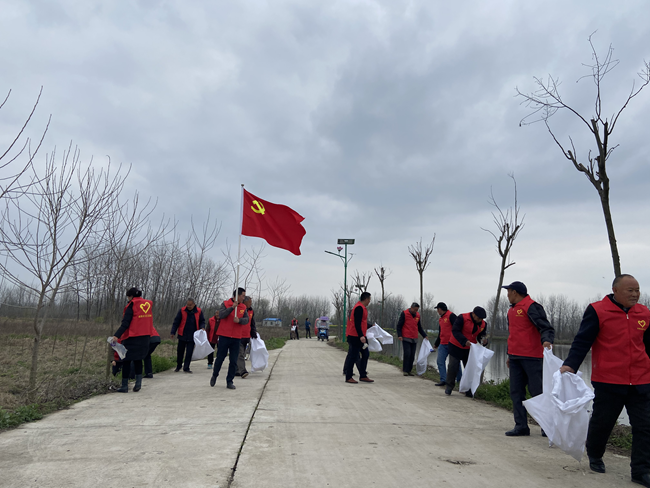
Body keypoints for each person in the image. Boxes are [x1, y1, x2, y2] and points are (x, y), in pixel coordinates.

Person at [560, 274, 650, 486]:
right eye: (630, 290)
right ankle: (595, 453)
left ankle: (641, 470)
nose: (635, 294)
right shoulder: (598, 310)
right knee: (603, 422)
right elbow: (583, 340)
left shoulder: (644, 313)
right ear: (615, 290)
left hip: (640, 379)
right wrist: (571, 364)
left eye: (637, 290)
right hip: (609, 379)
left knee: (645, 426)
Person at [502, 281, 554, 437]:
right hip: (516, 357)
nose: (507, 295)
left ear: (515, 292)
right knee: (516, 392)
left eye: (509, 291)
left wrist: (546, 340)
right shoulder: (511, 311)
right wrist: (509, 354)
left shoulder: (531, 307)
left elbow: (545, 327)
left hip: (532, 357)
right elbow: (513, 335)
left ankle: (547, 425)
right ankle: (521, 426)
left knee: (537, 392)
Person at [111, 287, 153, 393]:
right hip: (145, 336)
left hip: (132, 337)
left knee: (126, 361)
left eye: (128, 297)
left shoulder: (131, 305)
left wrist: (117, 335)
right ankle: (138, 384)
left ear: (131, 296)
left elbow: (126, 323)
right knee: (138, 359)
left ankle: (124, 386)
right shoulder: (147, 305)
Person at [210, 288, 249, 390]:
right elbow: (221, 315)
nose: (244, 298)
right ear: (237, 295)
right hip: (224, 336)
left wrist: (239, 320)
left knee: (233, 361)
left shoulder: (243, 307)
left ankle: (229, 381)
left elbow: (246, 320)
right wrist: (232, 308)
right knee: (220, 358)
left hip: (236, 337)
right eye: (243, 296)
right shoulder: (225, 304)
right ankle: (214, 375)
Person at [445, 306, 487, 396]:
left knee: (470, 369)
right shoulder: (462, 318)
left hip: (470, 349)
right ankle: (449, 386)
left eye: (481, 319)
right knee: (453, 367)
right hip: (456, 345)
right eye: (478, 318)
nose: (480, 320)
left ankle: (469, 389)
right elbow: (455, 331)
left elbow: (481, 335)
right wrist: (464, 341)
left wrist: (483, 340)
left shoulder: (483, 324)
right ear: (473, 314)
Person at [343, 292, 374, 384]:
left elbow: (362, 322)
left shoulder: (362, 308)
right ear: (366, 299)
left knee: (365, 354)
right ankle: (348, 376)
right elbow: (357, 323)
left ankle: (363, 375)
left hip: (361, 336)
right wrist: (361, 336)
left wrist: (370, 326)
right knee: (353, 356)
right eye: (369, 299)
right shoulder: (359, 308)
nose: (369, 301)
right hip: (355, 336)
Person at [170, 298, 205, 373]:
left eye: (190, 305)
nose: (188, 306)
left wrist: (202, 327)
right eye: (187, 305)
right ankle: (178, 366)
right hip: (182, 334)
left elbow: (202, 321)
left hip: (193, 336)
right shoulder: (182, 310)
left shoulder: (198, 311)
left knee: (189, 352)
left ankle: (186, 367)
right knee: (180, 352)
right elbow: (176, 322)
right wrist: (173, 332)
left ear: (194, 304)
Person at [396, 303, 428, 376]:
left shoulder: (417, 316)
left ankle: (409, 370)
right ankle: (405, 370)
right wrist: (399, 335)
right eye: (414, 309)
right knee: (407, 353)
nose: (415, 311)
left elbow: (419, 327)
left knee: (412, 355)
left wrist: (424, 335)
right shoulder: (404, 313)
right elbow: (399, 325)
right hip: (406, 337)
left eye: (417, 310)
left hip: (414, 338)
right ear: (411, 307)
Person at [433, 302, 460, 387]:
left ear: (440, 309)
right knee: (440, 361)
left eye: (437, 309)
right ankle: (443, 380)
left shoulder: (451, 316)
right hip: (443, 344)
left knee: (455, 364)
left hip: (453, 344)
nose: (437, 311)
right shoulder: (440, 319)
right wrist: (436, 344)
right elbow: (440, 332)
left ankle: (460, 380)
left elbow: (458, 328)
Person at [236, 296, 259, 378]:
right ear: (244, 302)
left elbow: (252, 323)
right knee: (240, 354)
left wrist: (254, 333)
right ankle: (242, 371)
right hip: (239, 335)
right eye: (249, 302)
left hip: (247, 335)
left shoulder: (251, 311)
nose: (251, 304)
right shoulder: (239, 309)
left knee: (241, 353)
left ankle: (236, 369)